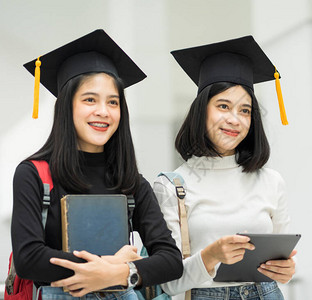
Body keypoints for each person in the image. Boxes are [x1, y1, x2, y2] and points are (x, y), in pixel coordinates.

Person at [11, 29, 183, 299]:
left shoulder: (131, 182)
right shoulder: (34, 174)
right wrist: (110, 267)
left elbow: (171, 260)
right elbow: (28, 258)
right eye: (90, 99)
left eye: (112, 102)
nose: (103, 111)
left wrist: (118, 274)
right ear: (67, 106)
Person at [153, 36, 296, 300]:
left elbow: (284, 267)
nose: (234, 120)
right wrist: (210, 257)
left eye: (245, 110)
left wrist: (285, 271)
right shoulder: (172, 185)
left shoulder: (272, 181)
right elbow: (168, 284)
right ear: (201, 110)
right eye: (223, 106)